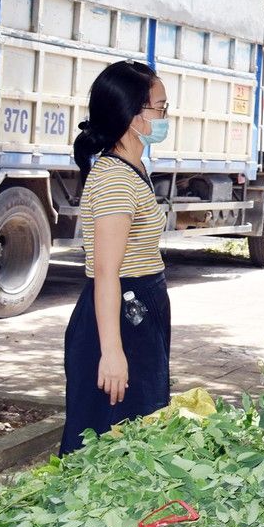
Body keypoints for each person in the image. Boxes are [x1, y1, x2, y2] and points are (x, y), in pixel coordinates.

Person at [60, 61, 172, 454]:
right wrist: (112, 353)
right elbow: (107, 273)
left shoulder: (134, 165)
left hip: (140, 309)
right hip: (119, 316)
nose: (164, 116)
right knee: (107, 444)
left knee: (140, 436)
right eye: (160, 107)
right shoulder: (114, 178)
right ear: (134, 116)